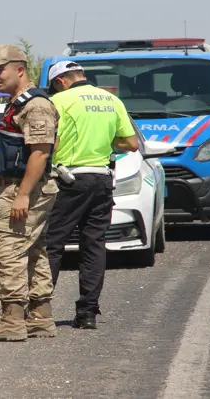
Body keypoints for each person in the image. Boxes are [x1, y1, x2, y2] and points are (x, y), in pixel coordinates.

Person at [0, 45, 59, 342]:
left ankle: (12, 320)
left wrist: (22, 194)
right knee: (33, 251)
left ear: (19, 70)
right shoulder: (18, 103)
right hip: (19, 186)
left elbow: (40, 153)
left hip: (25, 188)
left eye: (0, 70)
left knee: (6, 252)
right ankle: (39, 316)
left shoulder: (36, 105)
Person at [44, 60, 139, 329]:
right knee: (93, 244)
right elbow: (131, 143)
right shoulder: (112, 100)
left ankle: (41, 310)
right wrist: (106, 142)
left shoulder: (60, 101)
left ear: (60, 81)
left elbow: (54, 142)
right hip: (102, 180)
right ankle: (87, 312)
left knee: (52, 243)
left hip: (70, 180)